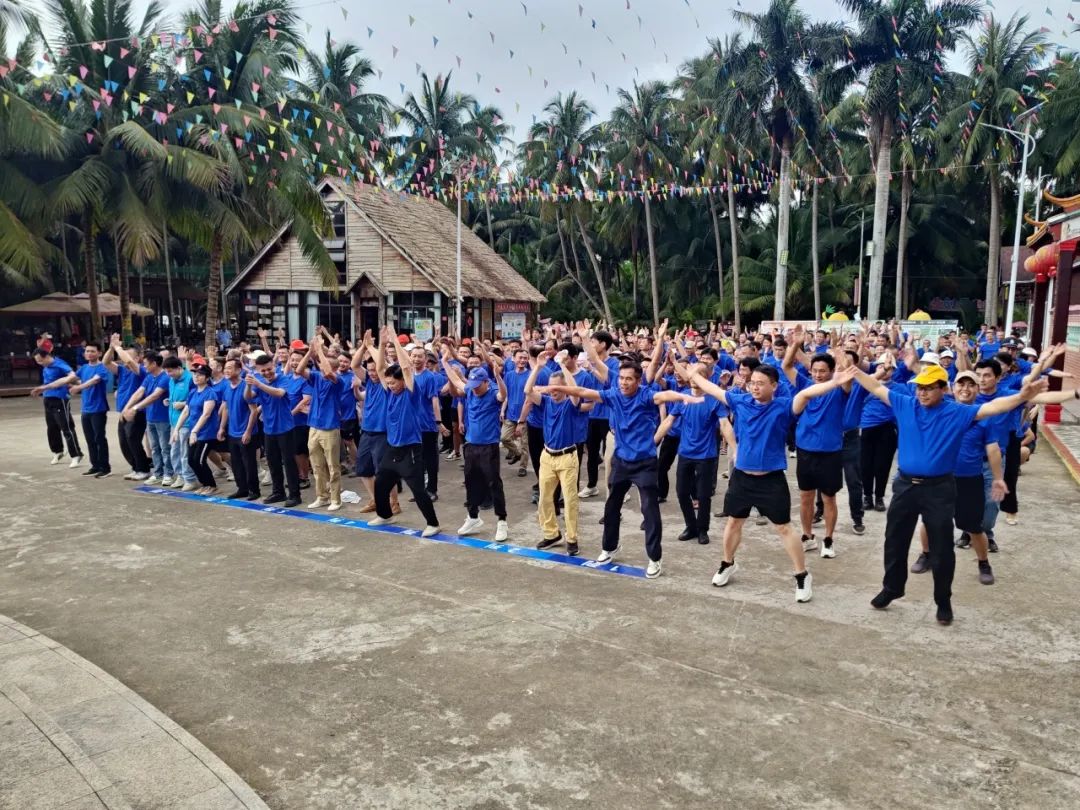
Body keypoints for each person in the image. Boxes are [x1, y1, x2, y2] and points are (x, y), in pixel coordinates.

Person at [850, 363, 1044, 625]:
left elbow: (993, 407)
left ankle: (943, 600)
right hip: (905, 486)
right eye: (920, 387)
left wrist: (1022, 396)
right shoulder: (905, 404)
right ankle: (892, 588)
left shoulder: (957, 412)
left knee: (941, 548)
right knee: (894, 540)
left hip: (939, 488)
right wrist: (854, 370)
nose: (922, 392)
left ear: (944, 389)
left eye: (929, 388)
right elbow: (875, 387)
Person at [689, 363, 857, 602]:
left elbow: (806, 394)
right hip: (742, 477)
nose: (754, 387)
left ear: (774, 386)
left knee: (784, 528)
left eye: (760, 383)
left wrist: (835, 382)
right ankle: (727, 563)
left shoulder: (784, 407)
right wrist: (693, 374)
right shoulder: (740, 401)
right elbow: (711, 388)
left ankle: (802, 575)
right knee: (734, 522)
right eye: (752, 383)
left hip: (771, 479)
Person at [536, 360, 704, 579]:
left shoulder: (645, 395)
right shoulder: (614, 394)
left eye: (629, 379)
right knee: (611, 508)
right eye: (621, 378)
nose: (624, 383)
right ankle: (610, 547)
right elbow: (582, 391)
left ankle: (654, 558)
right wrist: (554, 387)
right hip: (621, 462)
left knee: (649, 511)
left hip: (644, 463)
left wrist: (684, 397)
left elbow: (664, 396)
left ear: (638, 380)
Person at [910, 370, 1004, 586]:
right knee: (929, 520)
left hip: (969, 479)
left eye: (971, 385)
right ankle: (926, 554)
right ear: (952, 388)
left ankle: (983, 563)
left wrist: (998, 478)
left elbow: (993, 450)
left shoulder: (984, 417)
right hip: (938, 478)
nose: (965, 389)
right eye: (961, 384)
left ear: (977, 389)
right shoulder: (940, 411)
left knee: (973, 526)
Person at [782, 332, 852, 558]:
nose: (818, 375)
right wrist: (796, 344)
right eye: (815, 370)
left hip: (831, 452)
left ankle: (828, 540)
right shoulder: (805, 384)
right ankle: (807, 536)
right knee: (806, 497)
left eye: (823, 371)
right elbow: (786, 366)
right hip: (805, 450)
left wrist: (838, 352)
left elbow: (847, 373)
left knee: (829, 498)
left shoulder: (840, 388)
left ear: (831, 372)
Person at [368, 327, 440, 537]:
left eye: (393, 382)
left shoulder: (411, 393)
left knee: (418, 490)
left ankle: (433, 524)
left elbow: (407, 368)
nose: (390, 385)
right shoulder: (390, 393)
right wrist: (382, 344)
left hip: (411, 450)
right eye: (388, 383)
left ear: (402, 381)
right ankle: (385, 515)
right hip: (393, 449)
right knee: (381, 484)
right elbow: (380, 368)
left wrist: (395, 340)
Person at [442, 348, 510, 541]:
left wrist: (498, 376)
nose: (474, 388)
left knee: (494, 482)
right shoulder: (470, 391)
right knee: (471, 482)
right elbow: (457, 382)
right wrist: (445, 363)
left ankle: (502, 521)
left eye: (478, 385)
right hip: (471, 445)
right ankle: (473, 517)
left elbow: (503, 395)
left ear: (486, 382)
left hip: (489, 446)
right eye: (472, 385)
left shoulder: (493, 393)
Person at [654, 369, 727, 545]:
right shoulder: (683, 397)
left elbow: (725, 425)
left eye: (699, 375)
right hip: (685, 453)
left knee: (703, 495)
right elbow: (668, 421)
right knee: (681, 492)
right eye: (692, 375)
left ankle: (702, 530)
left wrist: (735, 448)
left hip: (706, 455)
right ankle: (691, 526)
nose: (694, 379)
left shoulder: (714, 399)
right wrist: (653, 443)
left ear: (706, 378)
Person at [523, 353, 584, 555]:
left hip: (567, 457)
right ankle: (551, 534)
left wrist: (563, 366)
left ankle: (572, 538)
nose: (553, 391)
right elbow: (528, 390)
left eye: (558, 388)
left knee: (570, 500)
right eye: (551, 387)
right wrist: (538, 367)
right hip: (547, 456)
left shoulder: (571, 404)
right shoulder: (546, 402)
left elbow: (575, 391)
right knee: (544, 499)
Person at [244, 355, 302, 507]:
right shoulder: (259, 381)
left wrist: (258, 383)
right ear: (258, 370)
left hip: (285, 427)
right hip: (269, 429)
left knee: (289, 462)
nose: (267, 373)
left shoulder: (283, 379)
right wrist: (249, 385)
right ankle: (278, 492)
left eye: (269, 369)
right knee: (273, 462)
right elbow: (248, 398)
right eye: (263, 371)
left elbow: (279, 393)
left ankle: (295, 495)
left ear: (274, 366)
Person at [296, 336, 344, 511]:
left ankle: (335, 499)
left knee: (333, 466)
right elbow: (299, 370)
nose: (321, 367)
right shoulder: (316, 377)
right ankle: (322, 496)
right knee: (317, 465)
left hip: (330, 427)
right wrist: (310, 351)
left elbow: (329, 372)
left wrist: (320, 352)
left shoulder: (338, 380)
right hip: (314, 427)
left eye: (325, 365)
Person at [103, 336, 150, 480]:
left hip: (137, 412)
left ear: (138, 358)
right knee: (124, 442)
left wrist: (118, 348)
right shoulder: (122, 370)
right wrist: (111, 348)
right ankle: (135, 467)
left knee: (133, 440)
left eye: (128, 355)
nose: (124, 359)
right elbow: (106, 362)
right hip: (123, 411)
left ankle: (143, 469)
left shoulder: (141, 370)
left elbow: (129, 361)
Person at [122, 353, 173, 485]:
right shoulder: (149, 377)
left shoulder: (165, 377)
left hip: (163, 419)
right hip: (150, 418)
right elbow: (139, 393)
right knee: (154, 447)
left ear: (154, 364)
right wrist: (126, 408)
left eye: (146, 364)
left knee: (165, 447)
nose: (144, 366)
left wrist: (135, 408)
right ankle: (158, 473)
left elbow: (154, 396)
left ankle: (168, 473)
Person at [30, 347, 84, 467]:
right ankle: (57, 451)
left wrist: (69, 383)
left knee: (66, 427)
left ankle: (76, 454)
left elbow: (72, 376)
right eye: (37, 361)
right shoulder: (46, 366)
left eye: (40, 361)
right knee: (52, 428)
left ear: (47, 357)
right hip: (47, 398)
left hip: (60, 399)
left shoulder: (60, 364)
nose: (39, 363)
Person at [175, 364, 222, 495]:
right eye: (195, 374)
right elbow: (186, 411)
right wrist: (176, 429)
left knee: (199, 460)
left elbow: (206, 414)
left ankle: (212, 485)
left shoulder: (210, 393)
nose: (196, 377)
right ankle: (204, 484)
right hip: (194, 432)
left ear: (207, 378)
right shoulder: (193, 392)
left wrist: (194, 431)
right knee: (191, 460)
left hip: (206, 433)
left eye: (200, 375)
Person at [68, 341, 110, 478]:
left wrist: (78, 387)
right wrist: (62, 383)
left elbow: (94, 381)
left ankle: (105, 468)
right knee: (90, 439)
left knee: (99, 438)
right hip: (85, 409)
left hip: (98, 408)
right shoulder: (84, 368)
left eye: (92, 351)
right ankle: (95, 466)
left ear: (99, 353)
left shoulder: (102, 368)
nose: (89, 353)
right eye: (87, 351)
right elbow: (75, 378)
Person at [220, 358, 260, 500]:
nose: (226, 370)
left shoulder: (246, 387)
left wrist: (248, 431)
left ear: (238, 370)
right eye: (225, 368)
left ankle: (254, 490)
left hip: (246, 432)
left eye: (230, 368)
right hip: (232, 432)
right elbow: (226, 408)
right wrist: (221, 428)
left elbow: (254, 411)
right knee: (236, 463)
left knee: (249, 463)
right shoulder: (226, 386)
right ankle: (242, 489)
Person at [163, 356, 197, 491]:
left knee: (184, 452)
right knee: (175, 451)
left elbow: (197, 397)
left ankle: (190, 479)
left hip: (187, 422)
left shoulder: (191, 379)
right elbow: (175, 396)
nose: (168, 374)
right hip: (174, 422)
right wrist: (169, 400)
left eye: (170, 371)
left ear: (179, 368)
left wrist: (183, 404)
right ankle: (180, 476)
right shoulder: (172, 380)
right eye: (166, 371)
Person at [500, 348, 531, 479]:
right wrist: (503, 410)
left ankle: (523, 466)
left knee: (524, 443)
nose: (522, 360)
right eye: (520, 357)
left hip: (525, 415)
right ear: (513, 359)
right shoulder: (508, 375)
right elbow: (506, 395)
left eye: (525, 358)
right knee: (504, 438)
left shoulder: (530, 375)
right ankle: (517, 453)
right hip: (510, 413)